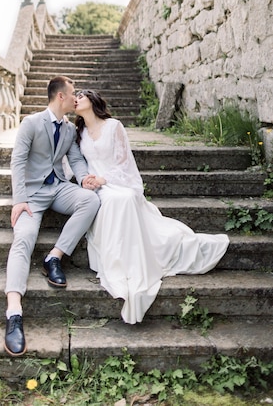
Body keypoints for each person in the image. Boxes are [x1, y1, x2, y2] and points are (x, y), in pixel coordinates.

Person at [74, 89, 230, 325]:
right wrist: (86, 179)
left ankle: (133, 261)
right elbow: (76, 164)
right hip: (96, 187)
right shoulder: (78, 132)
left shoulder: (113, 126)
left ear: (93, 100)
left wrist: (105, 179)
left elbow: (124, 162)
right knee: (111, 201)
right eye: (73, 96)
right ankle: (118, 262)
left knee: (124, 198)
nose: (76, 99)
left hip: (116, 181)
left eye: (81, 95)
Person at [4, 76, 101, 356]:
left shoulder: (70, 130)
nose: (76, 98)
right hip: (31, 196)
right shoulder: (31, 123)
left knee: (90, 200)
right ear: (61, 96)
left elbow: (76, 160)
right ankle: (14, 314)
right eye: (73, 94)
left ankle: (54, 257)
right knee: (23, 238)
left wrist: (83, 180)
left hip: (58, 188)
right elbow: (18, 160)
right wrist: (19, 199)